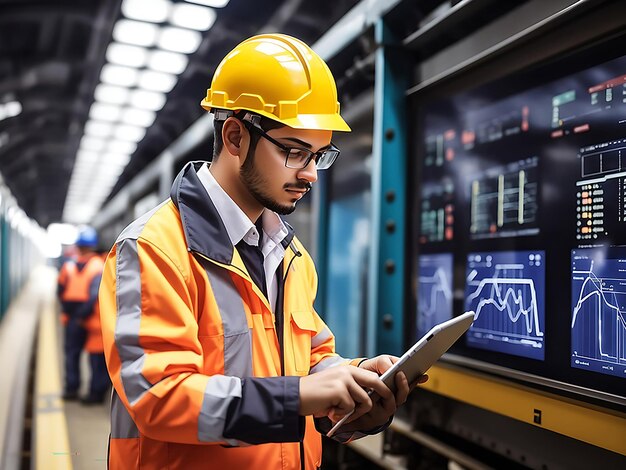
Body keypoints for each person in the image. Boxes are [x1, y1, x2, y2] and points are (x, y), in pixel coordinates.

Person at [99, 33, 426, 470]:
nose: (311, 174)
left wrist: (356, 381)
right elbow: (159, 396)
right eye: (294, 152)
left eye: (320, 156)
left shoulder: (291, 257)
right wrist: (297, 397)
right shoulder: (152, 250)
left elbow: (308, 359)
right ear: (235, 136)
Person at [57, 226, 106, 402]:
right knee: (96, 357)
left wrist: (72, 314)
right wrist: (82, 314)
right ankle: (96, 393)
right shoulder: (99, 265)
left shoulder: (68, 265)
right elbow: (95, 295)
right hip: (92, 318)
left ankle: (72, 388)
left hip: (73, 318)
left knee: (72, 353)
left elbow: (60, 291)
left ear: (78, 246)